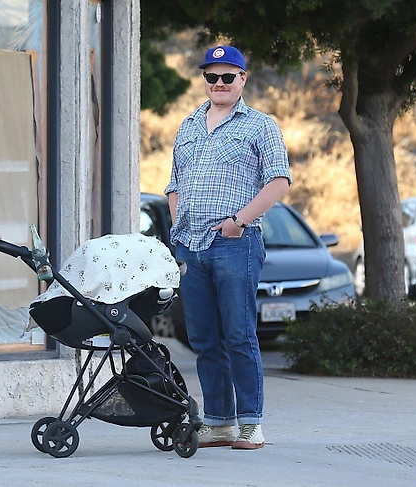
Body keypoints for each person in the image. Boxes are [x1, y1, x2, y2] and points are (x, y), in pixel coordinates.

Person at [165, 46, 292, 450]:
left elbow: (279, 181)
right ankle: (219, 422)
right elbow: (174, 183)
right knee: (204, 340)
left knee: (239, 336)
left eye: (227, 77)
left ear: (243, 79)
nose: (218, 84)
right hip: (190, 246)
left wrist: (239, 221)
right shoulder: (188, 125)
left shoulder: (260, 126)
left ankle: (251, 423)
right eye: (211, 77)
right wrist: (177, 225)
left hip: (234, 243)